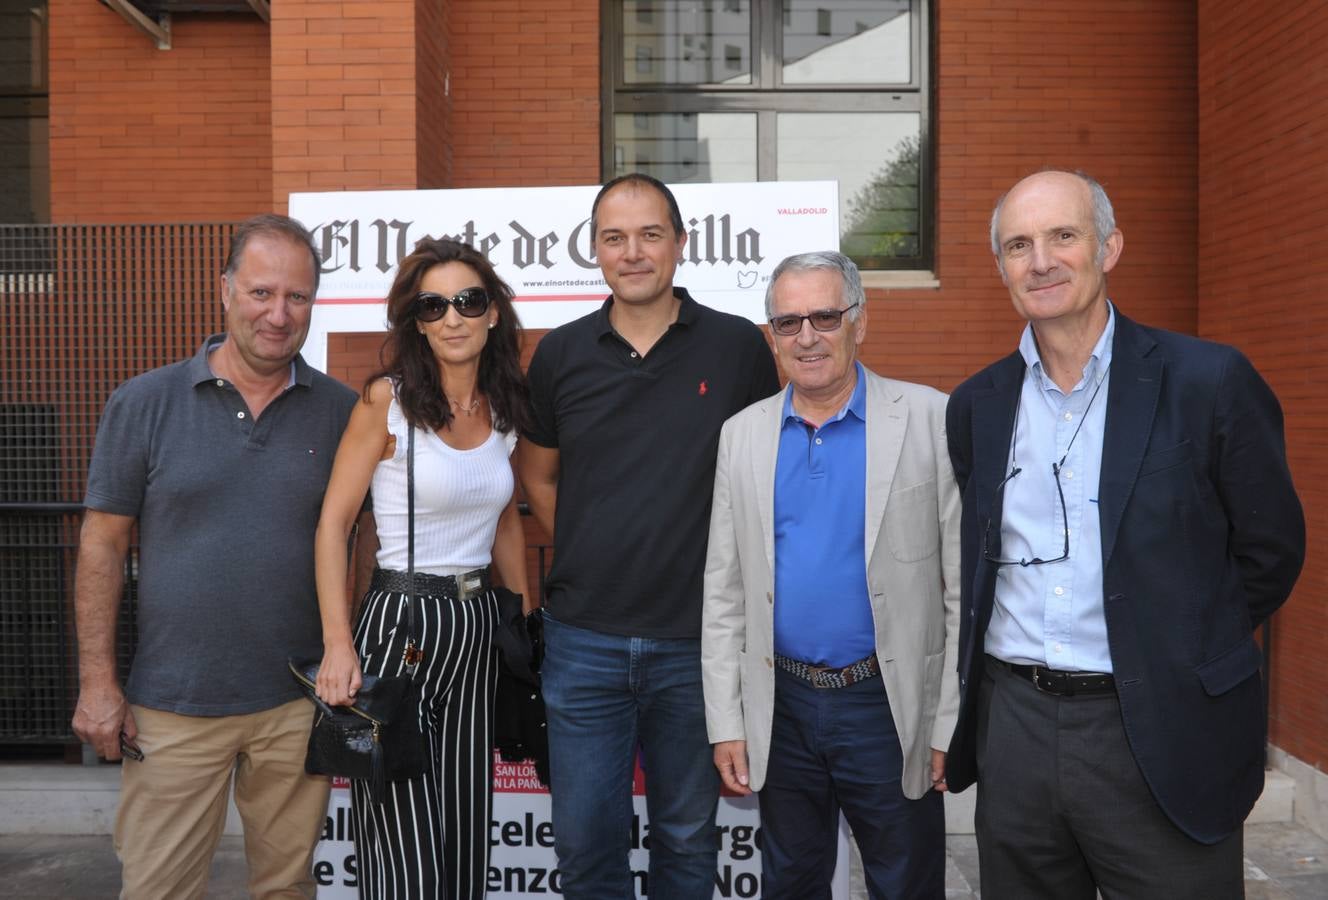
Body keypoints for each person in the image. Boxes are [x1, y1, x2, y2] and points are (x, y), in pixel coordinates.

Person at [944, 170, 1306, 898]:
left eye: (1062, 236)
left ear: (1109, 248)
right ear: (1002, 269)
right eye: (1018, 245)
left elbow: (1271, 552)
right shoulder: (977, 404)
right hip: (1014, 730)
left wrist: (1183, 650)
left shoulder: (1207, 381)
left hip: (1159, 729)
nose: (1040, 260)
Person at [71, 214, 356, 898]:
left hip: (297, 703)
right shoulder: (144, 403)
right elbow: (102, 544)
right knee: (159, 888)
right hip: (173, 704)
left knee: (285, 887)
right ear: (224, 288)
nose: (278, 314)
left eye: (297, 297)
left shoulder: (343, 410)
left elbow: (359, 540)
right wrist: (97, 682)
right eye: (261, 292)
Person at [517, 173, 780, 899]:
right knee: (585, 846)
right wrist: (595, 543)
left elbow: (764, 477)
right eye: (614, 237)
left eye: (649, 234)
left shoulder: (737, 348)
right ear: (595, 250)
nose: (632, 252)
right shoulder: (561, 354)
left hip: (696, 645)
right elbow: (538, 478)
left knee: (688, 844)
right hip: (583, 642)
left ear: (680, 244)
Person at [702, 251, 961, 899]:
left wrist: (948, 722)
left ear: (859, 322)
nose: (807, 336)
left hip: (885, 705)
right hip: (781, 706)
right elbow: (723, 592)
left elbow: (962, 587)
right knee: (792, 882)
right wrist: (727, 721)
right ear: (772, 337)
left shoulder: (931, 419)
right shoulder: (742, 436)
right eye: (788, 323)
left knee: (906, 882)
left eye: (824, 315)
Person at [312, 237, 533, 899]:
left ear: (493, 312)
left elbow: (503, 518)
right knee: (404, 845)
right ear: (416, 322)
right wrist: (338, 644)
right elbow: (333, 524)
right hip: (400, 626)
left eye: (468, 300)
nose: (453, 317)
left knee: (465, 836)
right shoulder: (390, 401)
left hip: (474, 629)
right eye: (433, 306)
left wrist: (521, 619)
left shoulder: (503, 406)